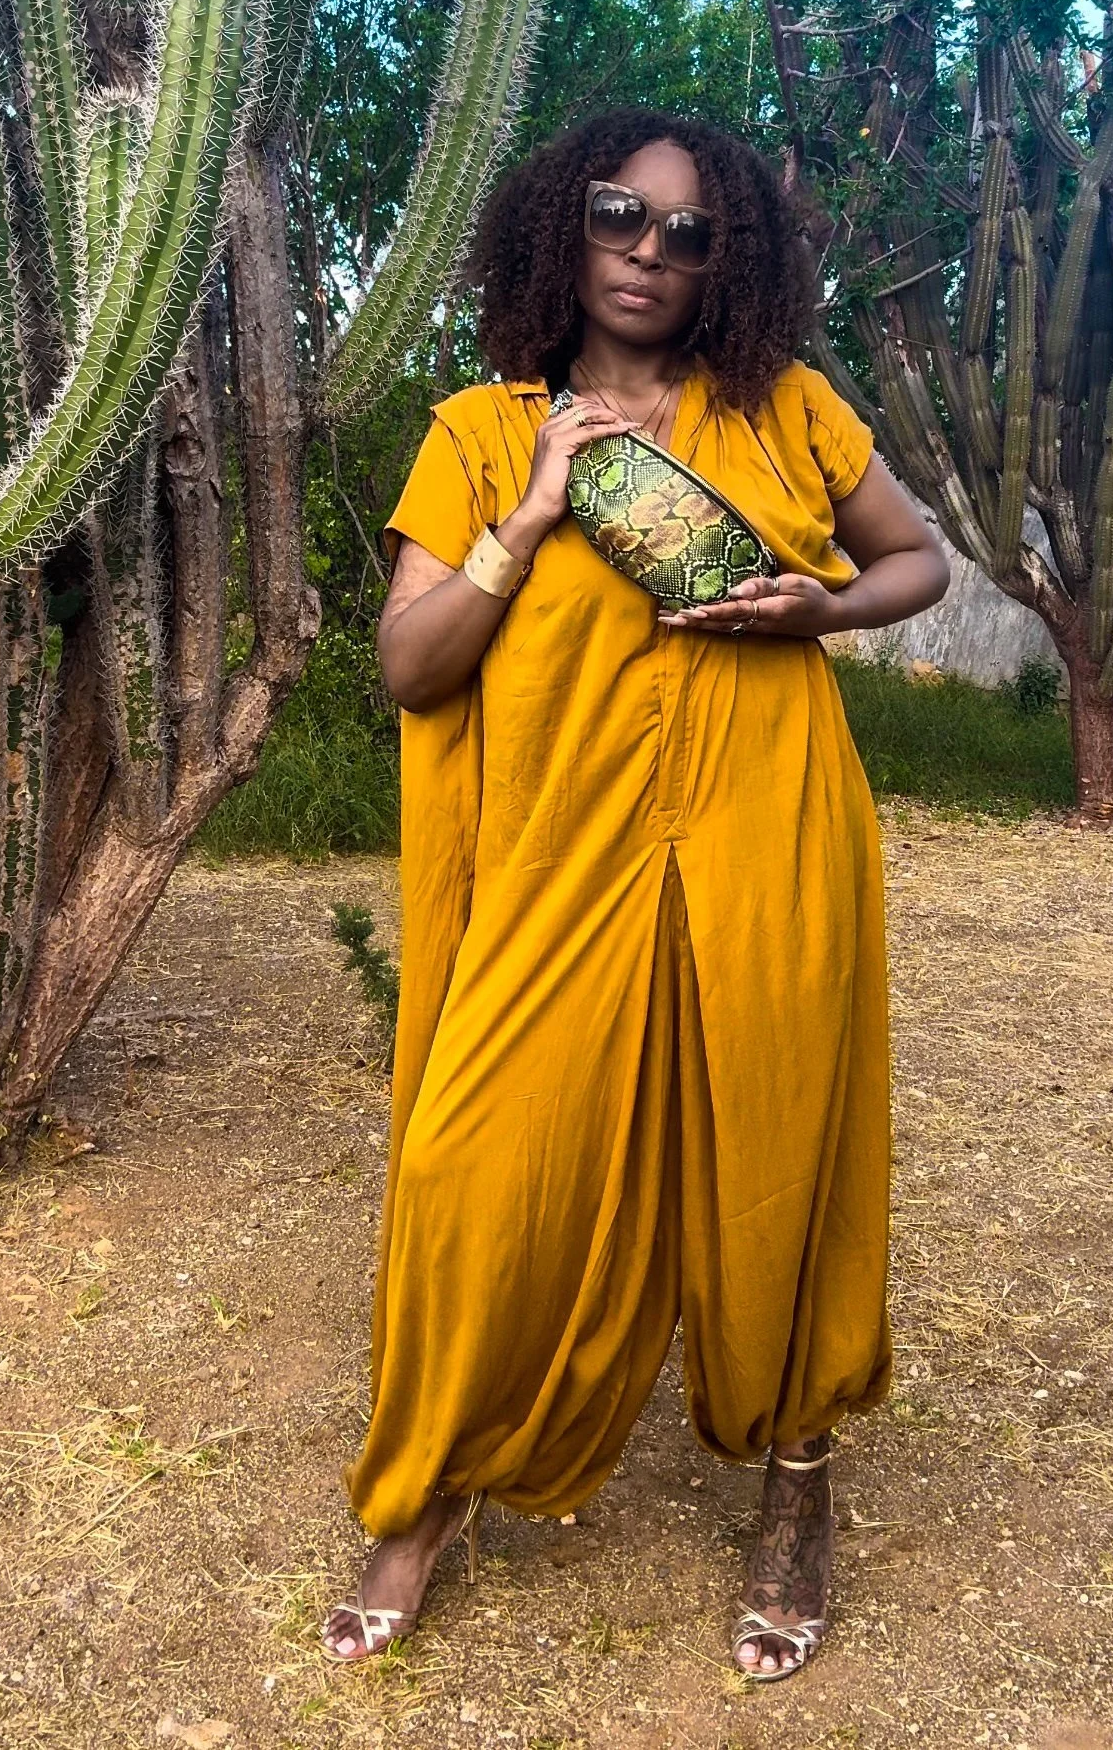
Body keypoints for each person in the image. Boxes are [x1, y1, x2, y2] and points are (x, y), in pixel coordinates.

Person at [322, 108, 949, 1680]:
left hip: (767, 831)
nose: (649, 254)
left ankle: (796, 1483)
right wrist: (525, 523)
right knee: (478, 1163)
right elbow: (408, 668)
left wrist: (821, 605)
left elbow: (916, 563)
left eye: (689, 233)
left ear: (725, 262)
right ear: (566, 225)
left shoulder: (788, 411)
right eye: (620, 216)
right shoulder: (478, 430)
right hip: (560, 855)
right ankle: (429, 1496)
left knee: (771, 1158)